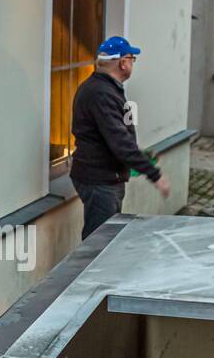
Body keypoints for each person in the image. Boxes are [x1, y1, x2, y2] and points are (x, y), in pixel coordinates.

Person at [69, 36, 171, 240]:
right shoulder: (101, 93)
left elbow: (119, 136)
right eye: (132, 58)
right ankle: (92, 273)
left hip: (104, 176)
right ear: (123, 63)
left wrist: (137, 159)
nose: (133, 63)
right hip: (99, 180)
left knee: (106, 236)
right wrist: (154, 175)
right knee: (99, 241)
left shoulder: (106, 89)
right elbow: (120, 142)